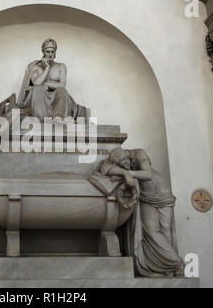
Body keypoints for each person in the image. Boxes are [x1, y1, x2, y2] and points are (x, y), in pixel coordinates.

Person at [100, 147, 184, 277]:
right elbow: (104, 168)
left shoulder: (139, 153)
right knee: (151, 231)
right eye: (122, 165)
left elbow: (147, 174)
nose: (126, 165)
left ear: (127, 155)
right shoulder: (117, 159)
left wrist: (128, 174)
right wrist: (124, 172)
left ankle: (169, 268)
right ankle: (175, 261)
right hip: (145, 197)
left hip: (162, 194)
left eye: (126, 162)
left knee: (165, 230)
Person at [17, 38, 88, 122]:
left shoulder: (61, 66)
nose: (50, 54)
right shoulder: (35, 67)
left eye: (52, 51)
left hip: (56, 97)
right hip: (40, 98)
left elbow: (62, 85)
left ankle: (58, 117)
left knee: (62, 91)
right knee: (37, 89)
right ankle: (41, 118)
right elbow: (37, 83)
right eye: (48, 51)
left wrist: (47, 84)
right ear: (43, 52)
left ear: (55, 52)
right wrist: (47, 68)